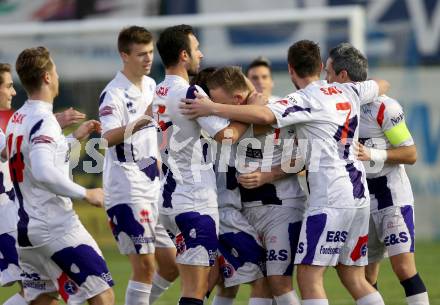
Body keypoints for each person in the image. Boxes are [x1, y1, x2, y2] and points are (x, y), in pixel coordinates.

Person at [180, 40, 390, 305]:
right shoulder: (346, 91)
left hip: (328, 198)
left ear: (290, 70)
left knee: (307, 278)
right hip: (357, 195)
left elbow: (264, 117)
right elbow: (382, 84)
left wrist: (212, 108)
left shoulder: (300, 101)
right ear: (320, 65)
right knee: (353, 277)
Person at [6, 46, 114, 305]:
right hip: (54, 225)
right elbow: (43, 171)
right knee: (103, 295)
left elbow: (32, 159)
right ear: (46, 77)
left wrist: (71, 139)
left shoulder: (16, 119)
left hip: (25, 230)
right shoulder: (44, 120)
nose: (57, 74)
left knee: (42, 300)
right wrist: (86, 193)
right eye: (53, 68)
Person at [325, 42, 429, 305]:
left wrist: (374, 154)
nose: (326, 78)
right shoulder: (333, 110)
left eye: (328, 72)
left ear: (343, 76)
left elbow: (410, 154)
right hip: (359, 201)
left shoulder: (384, 107)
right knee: (366, 275)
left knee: (404, 269)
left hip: (391, 197)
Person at [153, 24, 248, 305]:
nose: (201, 55)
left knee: (200, 283)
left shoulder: (158, 89)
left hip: (170, 200)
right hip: (193, 201)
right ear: (184, 55)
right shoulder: (190, 92)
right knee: (196, 290)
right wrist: (247, 112)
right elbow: (227, 136)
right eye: (196, 49)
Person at [209, 66, 306, 305]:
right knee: (231, 281)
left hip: (280, 208)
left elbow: (304, 159)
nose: (259, 83)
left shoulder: (280, 111)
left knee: (277, 283)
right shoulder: (226, 122)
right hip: (239, 213)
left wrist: (268, 175)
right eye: (254, 78)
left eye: (264, 77)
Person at [98, 25, 178, 305]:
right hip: (127, 188)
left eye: (150, 52)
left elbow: (157, 133)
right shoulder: (113, 94)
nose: (148, 59)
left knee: (171, 266)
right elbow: (107, 138)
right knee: (145, 267)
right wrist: (145, 117)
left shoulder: (152, 86)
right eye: (141, 54)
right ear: (124, 55)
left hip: (152, 186)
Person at [0, 63, 88, 305]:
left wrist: (66, 136)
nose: (13, 92)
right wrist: (49, 123)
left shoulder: (11, 125)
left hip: (14, 218)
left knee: (40, 293)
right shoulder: (11, 128)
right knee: (39, 293)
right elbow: (19, 153)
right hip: (7, 219)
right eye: (8, 86)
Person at [192, 66, 273, 305]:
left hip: (215, 210)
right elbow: (258, 124)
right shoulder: (223, 127)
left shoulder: (211, 123)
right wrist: (252, 106)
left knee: (226, 284)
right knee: (263, 279)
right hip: (224, 213)